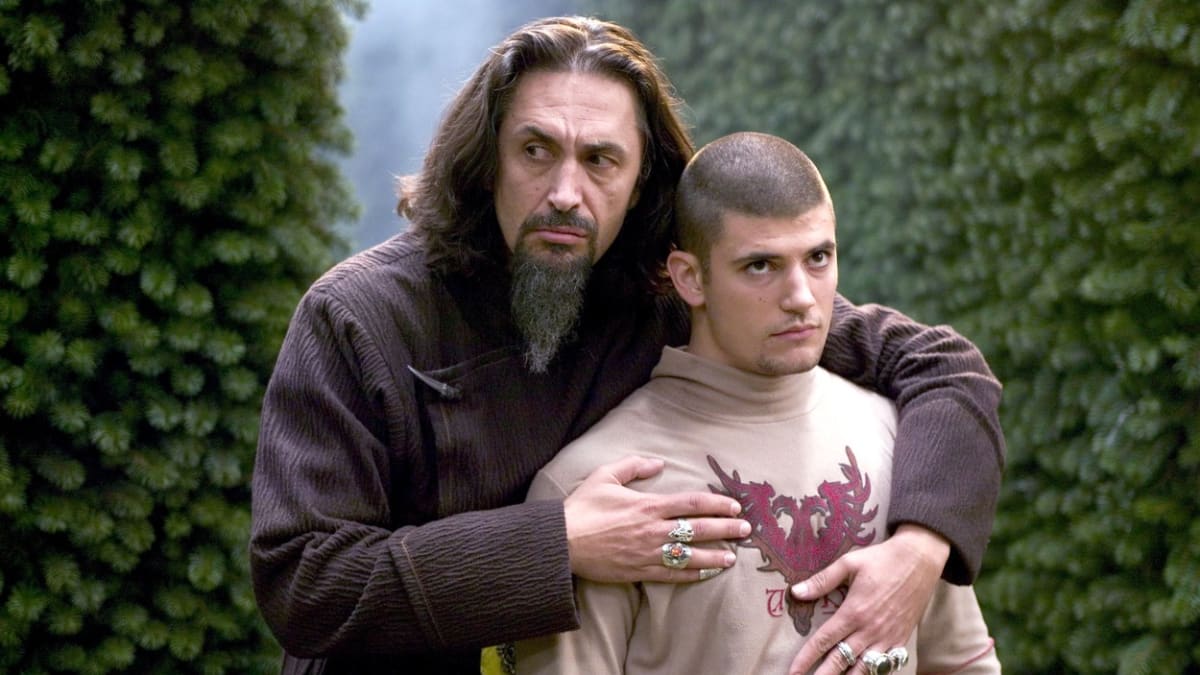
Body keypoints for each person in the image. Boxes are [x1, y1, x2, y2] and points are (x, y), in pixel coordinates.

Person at [249, 16, 1004, 675]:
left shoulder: (665, 291)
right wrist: (557, 542)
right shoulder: (358, 318)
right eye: (536, 150)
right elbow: (304, 582)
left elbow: (941, 367)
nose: (565, 193)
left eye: (600, 160)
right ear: (486, 161)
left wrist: (918, 552)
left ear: (644, 180)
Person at [514, 131, 1000, 675]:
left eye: (818, 257)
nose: (801, 298)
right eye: (761, 266)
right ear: (690, 278)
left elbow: (964, 665)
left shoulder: (903, 438)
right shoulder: (592, 492)